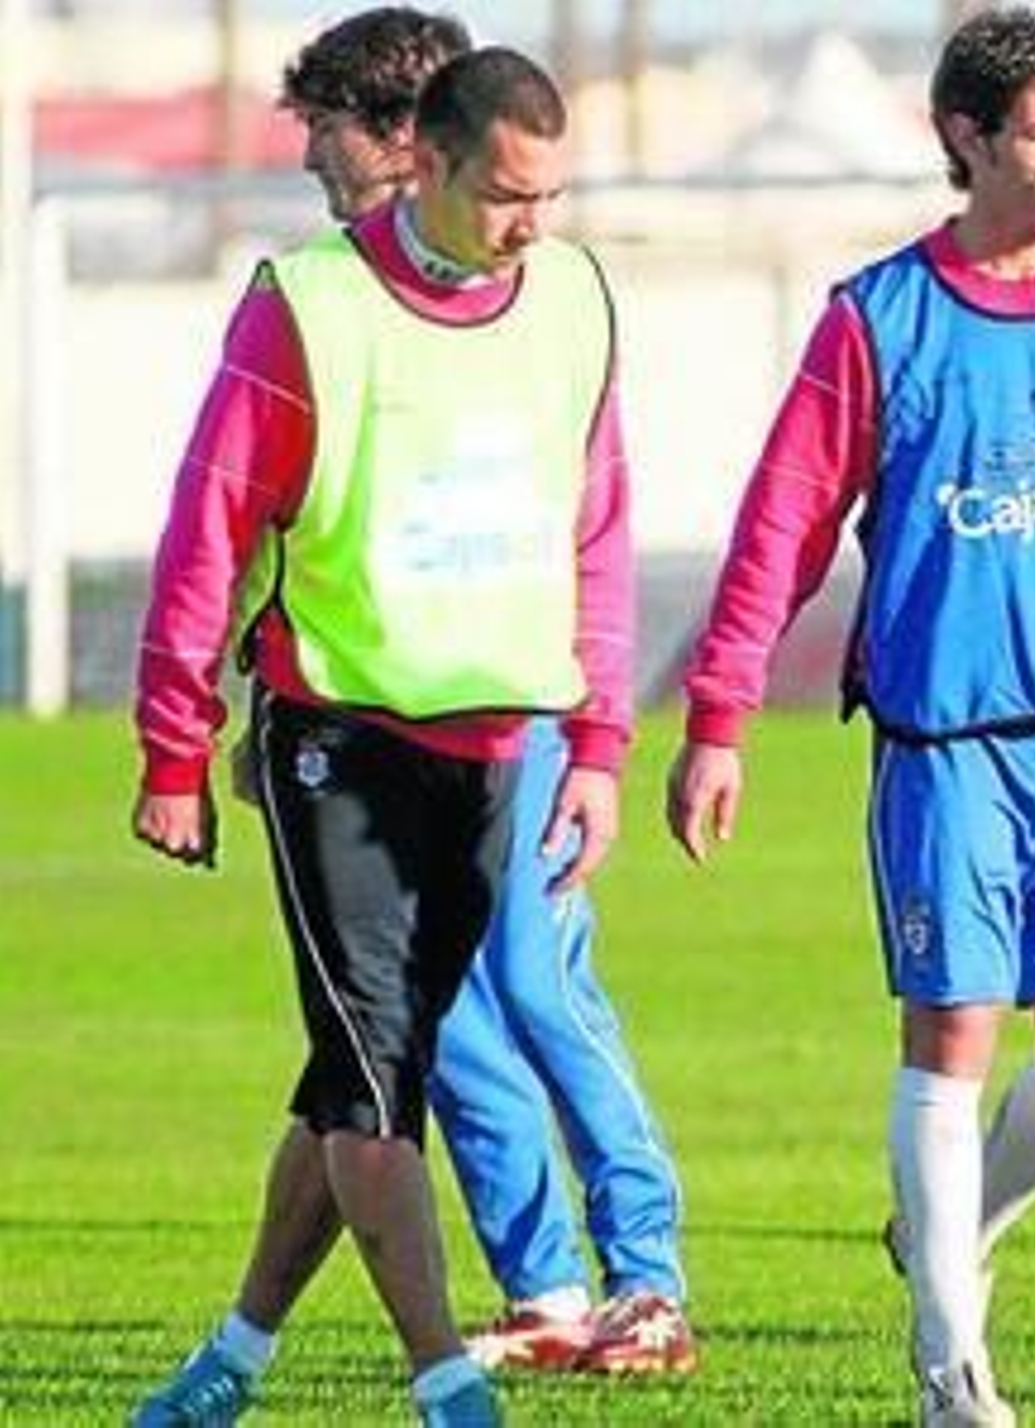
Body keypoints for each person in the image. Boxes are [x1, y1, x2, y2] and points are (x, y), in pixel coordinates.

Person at [665, 8, 1035, 1424]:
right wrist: (719, 714)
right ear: (967, 139)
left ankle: (946, 1241)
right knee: (955, 1035)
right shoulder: (878, 320)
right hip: (948, 750)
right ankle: (951, 1369)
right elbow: (783, 528)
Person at [130, 45, 629, 1426]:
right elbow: (209, 524)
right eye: (509, 195)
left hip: (497, 755)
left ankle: (230, 1361)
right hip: (334, 740)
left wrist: (598, 742)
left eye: (554, 193)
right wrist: (176, 746)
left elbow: (598, 527)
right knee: (372, 1080)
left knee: (359, 1075)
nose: (535, 222)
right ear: (429, 160)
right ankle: (446, 1378)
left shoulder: (576, 298)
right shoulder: (311, 307)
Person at [278, 7, 695, 1375]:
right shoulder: (339, 301)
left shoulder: (546, 299)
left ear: (406, 135)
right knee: (436, 1023)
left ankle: (648, 1276)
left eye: (327, 142)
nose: (316, 173)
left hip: (509, 721)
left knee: (540, 977)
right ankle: (548, 1289)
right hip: (375, 726)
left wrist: (598, 736)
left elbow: (596, 520)